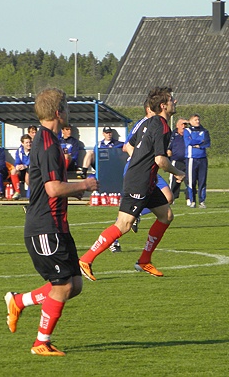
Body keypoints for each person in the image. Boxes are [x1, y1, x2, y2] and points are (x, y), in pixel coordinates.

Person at [4, 87, 99, 357]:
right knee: (63, 285)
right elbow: (53, 189)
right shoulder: (46, 143)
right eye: (66, 107)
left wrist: (74, 189)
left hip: (57, 225)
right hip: (44, 227)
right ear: (59, 112)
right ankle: (41, 343)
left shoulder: (50, 140)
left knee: (74, 285)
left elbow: (54, 185)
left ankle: (19, 301)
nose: (69, 111)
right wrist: (85, 184)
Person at [78, 86, 185, 280]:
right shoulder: (161, 126)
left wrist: (141, 160)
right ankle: (86, 259)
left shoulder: (148, 122)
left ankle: (144, 260)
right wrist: (178, 173)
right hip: (139, 181)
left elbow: (130, 145)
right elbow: (160, 160)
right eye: (171, 100)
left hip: (147, 179)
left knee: (166, 215)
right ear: (163, 105)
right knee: (124, 224)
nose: (174, 102)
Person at [109, 102, 175, 253]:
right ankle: (113, 240)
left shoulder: (158, 124)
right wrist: (140, 161)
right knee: (125, 220)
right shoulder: (143, 123)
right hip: (138, 171)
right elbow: (127, 146)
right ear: (149, 109)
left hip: (150, 170)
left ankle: (144, 258)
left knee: (168, 198)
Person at [184, 114, 211, 208]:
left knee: (202, 181)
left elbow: (207, 143)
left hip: (202, 159)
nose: (197, 121)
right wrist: (200, 140)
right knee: (191, 181)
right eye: (195, 120)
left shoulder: (204, 131)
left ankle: (202, 201)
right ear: (190, 121)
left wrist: (198, 144)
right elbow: (188, 142)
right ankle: (192, 201)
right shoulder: (187, 131)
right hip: (191, 158)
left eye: (198, 119)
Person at [168, 118, 189, 204]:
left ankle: (189, 199)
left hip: (187, 161)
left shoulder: (189, 134)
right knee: (174, 181)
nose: (184, 126)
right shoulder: (173, 135)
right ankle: (171, 198)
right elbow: (169, 148)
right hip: (176, 161)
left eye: (185, 125)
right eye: (182, 124)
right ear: (177, 126)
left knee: (189, 180)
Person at [10, 134, 32, 200]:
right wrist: (18, 166)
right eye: (27, 143)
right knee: (13, 171)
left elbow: (32, 161)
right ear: (22, 143)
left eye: (30, 142)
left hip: (31, 170)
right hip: (23, 170)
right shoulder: (19, 151)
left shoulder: (34, 150)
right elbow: (17, 161)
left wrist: (25, 166)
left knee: (29, 173)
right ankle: (17, 192)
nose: (29, 144)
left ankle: (30, 195)